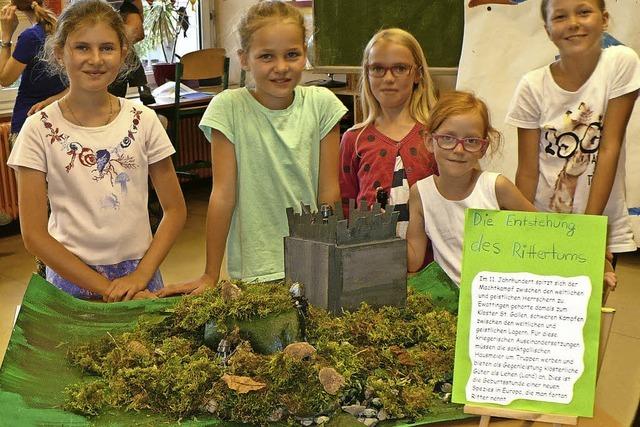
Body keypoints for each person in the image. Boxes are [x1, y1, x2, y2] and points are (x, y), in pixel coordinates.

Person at [157, 0, 347, 296]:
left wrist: (332, 255)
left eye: (292, 54)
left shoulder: (323, 105)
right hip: (254, 267)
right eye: (267, 56)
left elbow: (329, 194)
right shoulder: (229, 108)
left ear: (305, 55)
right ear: (244, 59)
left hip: (311, 259)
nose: (281, 67)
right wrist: (210, 274)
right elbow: (222, 195)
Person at [7, 0, 186, 302]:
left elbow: (176, 210)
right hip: (71, 281)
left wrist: (140, 276)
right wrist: (107, 289)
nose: (95, 59)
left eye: (106, 48)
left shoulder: (144, 121)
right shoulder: (38, 130)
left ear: (123, 53)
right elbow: (34, 236)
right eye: (82, 48)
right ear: (59, 54)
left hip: (141, 279)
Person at [506, 0, 640, 262]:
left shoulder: (620, 63)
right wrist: (522, 230)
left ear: (604, 19)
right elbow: (527, 171)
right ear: (547, 30)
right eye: (560, 17)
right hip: (545, 225)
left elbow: (608, 147)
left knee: (594, 301)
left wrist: (588, 235)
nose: (574, 23)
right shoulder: (532, 86)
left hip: (601, 222)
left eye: (584, 12)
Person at [406, 91, 536, 286]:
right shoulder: (421, 193)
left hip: (495, 300)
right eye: (448, 138)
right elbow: (414, 260)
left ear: (483, 148)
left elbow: (542, 231)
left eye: (471, 141)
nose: (459, 150)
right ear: (429, 141)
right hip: (450, 305)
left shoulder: (496, 187)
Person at [339, 28, 438, 240]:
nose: (389, 78)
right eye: (378, 69)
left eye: (400, 68)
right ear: (367, 73)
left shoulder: (436, 135)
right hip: (371, 260)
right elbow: (346, 207)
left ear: (418, 74)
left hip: (431, 263)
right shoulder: (353, 139)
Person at [0, 0, 65, 138]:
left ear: (14, 5)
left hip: (29, 123)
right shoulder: (62, 31)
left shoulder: (30, 37)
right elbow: (77, 84)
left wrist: (6, 36)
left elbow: (5, 79)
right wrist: (53, 100)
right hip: (60, 124)